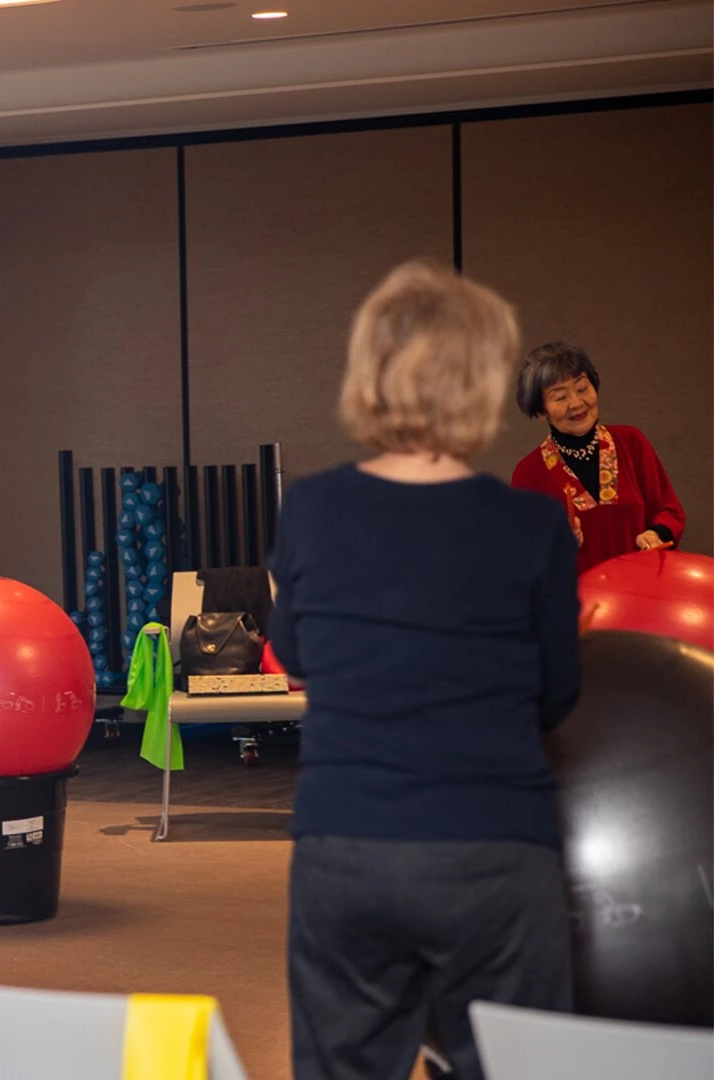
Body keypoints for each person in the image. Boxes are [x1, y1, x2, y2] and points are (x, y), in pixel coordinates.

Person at [269, 260, 580, 1080]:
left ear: (368, 374)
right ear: (486, 382)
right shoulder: (533, 525)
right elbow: (558, 695)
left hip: (346, 850)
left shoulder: (311, 508)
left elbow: (295, 656)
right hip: (495, 854)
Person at [509, 340, 685, 571]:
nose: (576, 403)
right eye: (560, 397)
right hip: (579, 603)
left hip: (644, 593)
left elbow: (669, 510)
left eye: (582, 389)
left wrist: (656, 533)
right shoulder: (528, 474)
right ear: (542, 411)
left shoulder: (631, 442)